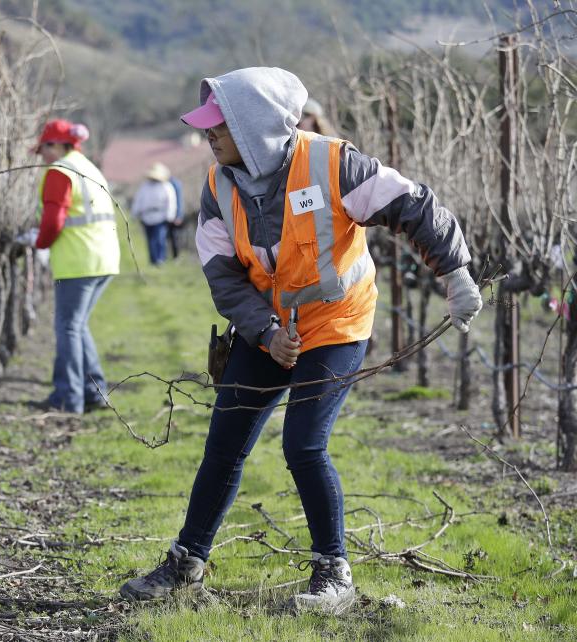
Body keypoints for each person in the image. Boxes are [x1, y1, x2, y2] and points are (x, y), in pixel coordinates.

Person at [119, 68, 482, 614]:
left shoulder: (334, 164)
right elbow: (223, 275)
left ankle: (334, 574)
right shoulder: (219, 185)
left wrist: (455, 274)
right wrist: (265, 333)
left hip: (336, 324)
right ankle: (186, 562)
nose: (208, 137)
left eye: (218, 128)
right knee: (224, 441)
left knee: (303, 444)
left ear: (253, 129)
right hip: (269, 327)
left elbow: (414, 204)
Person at [32, 119, 120, 414]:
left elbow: (54, 220)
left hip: (78, 261)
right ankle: (93, 393)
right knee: (77, 326)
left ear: (57, 145)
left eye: (44, 148)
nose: (41, 156)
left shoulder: (59, 171)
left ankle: (71, 400)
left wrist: (39, 242)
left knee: (69, 327)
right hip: (103, 258)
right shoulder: (87, 166)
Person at [131, 162, 178, 265]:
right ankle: (153, 260)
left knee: (160, 238)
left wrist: (170, 215)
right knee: (150, 240)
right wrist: (135, 213)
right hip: (146, 217)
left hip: (160, 216)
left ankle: (160, 259)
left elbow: (171, 202)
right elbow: (138, 200)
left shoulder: (166, 186)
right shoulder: (145, 187)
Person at [167, 174, 185, 258]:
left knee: (174, 236)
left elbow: (179, 201)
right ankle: (173, 256)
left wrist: (178, 216)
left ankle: (176, 256)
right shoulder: (170, 183)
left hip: (174, 215)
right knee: (172, 236)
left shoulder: (174, 184)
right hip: (169, 215)